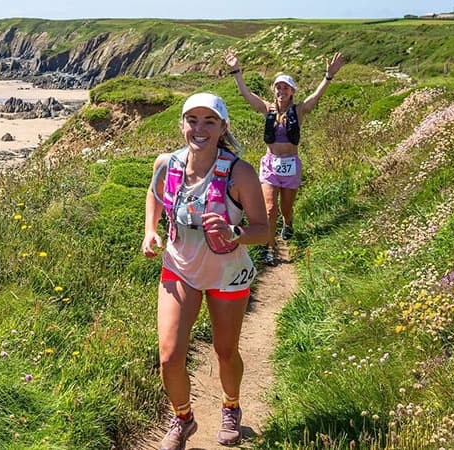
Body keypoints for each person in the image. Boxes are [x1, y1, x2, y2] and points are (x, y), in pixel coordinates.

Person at [141, 92, 271, 449]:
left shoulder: (239, 172)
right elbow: (153, 195)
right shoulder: (167, 163)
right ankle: (183, 418)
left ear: (222, 127)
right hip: (178, 268)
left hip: (227, 273)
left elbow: (263, 230)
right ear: (182, 124)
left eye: (209, 121)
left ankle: (231, 407)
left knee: (225, 350)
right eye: (193, 120)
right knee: (169, 356)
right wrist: (150, 231)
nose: (199, 129)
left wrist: (234, 231)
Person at [223, 49, 345, 265]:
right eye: (278, 87)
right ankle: (270, 249)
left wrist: (329, 76)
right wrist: (236, 71)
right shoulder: (267, 108)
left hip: (291, 166)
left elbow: (315, 97)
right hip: (270, 165)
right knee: (269, 208)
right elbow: (246, 94)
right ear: (274, 90)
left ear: (292, 91)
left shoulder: (299, 111)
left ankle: (288, 223)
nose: (281, 90)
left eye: (285, 87)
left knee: (285, 208)